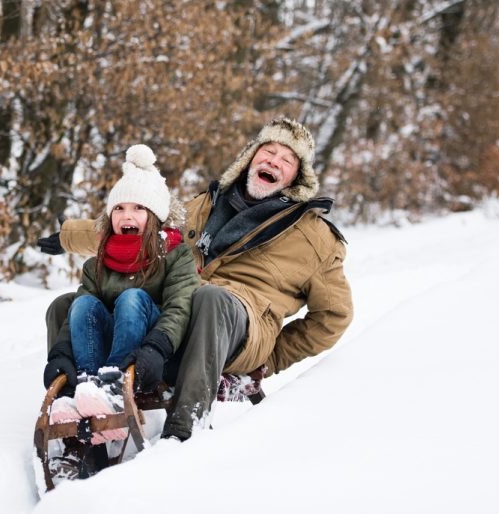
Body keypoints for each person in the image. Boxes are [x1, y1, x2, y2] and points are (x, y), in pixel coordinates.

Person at [39, 118, 353, 441]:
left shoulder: (314, 237)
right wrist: (67, 236)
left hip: (240, 328)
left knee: (210, 298)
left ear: (296, 177)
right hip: (179, 313)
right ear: (251, 157)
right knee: (69, 306)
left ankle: (184, 428)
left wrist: (273, 357)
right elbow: (141, 230)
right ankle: (76, 418)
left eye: (287, 159)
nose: (274, 160)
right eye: (268, 151)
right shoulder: (207, 205)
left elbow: (334, 316)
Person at [42, 144, 199, 443]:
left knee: (132, 298)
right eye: (119, 208)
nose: (128, 215)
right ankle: (87, 387)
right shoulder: (96, 264)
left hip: (153, 353)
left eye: (139, 208)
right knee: (84, 303)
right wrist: (60, 354)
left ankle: (111, 386)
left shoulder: (176, 256)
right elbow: (81, 314)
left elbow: (181, 307)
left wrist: (157, 347)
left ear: (154, 217)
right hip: (106, 343)